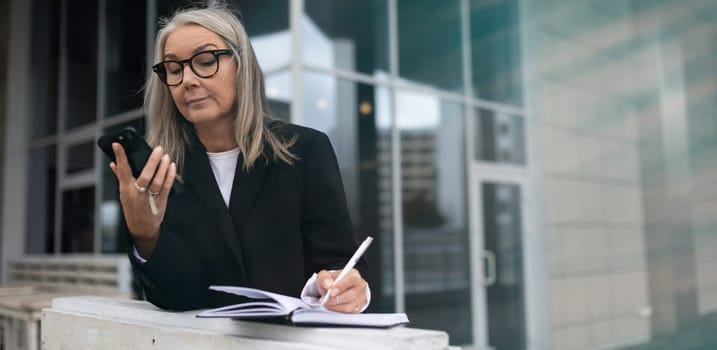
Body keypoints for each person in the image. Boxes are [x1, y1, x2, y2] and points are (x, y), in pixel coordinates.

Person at [108, 3, 369, 313]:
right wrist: (145, 235)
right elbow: (177, 298)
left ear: (242, 66)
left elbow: (340, 265)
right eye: (175, 69)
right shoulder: (158, 173)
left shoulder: (305, 150)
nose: (188, 79)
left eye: (205, 61)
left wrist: (348, 290)